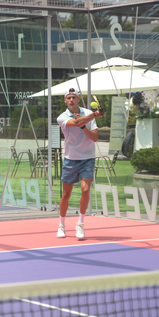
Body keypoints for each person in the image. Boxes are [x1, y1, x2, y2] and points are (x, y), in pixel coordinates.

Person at [56, 88, 104, 240]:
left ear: (78, 99)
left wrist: (84, 125)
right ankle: (61, 225)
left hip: (87, 158)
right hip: (70, 158)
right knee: (66, 194)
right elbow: (75, 122)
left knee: (85, 190)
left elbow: (95, 138)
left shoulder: (87, 113)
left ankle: (80, 224)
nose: (71, 100)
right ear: (65, 101)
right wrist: (94, 115)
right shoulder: (62, 117)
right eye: (68, 98)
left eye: (74, 97)